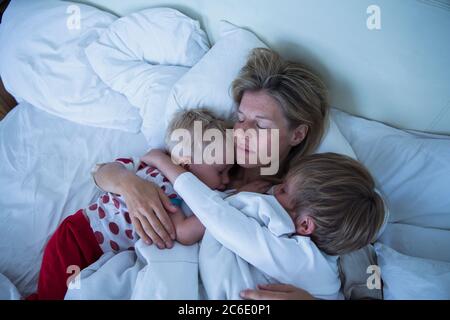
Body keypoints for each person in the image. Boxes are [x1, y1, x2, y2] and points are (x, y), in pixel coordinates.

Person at [28, 109, 233, 300]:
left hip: (101, 255)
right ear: (187, 163)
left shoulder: (166, 175)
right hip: (77, 240)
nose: (226, 181)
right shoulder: (166, 182)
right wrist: (224, 207)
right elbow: (182, 232)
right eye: (220, 171)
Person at [144, 150, 386, 299]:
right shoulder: (319, 220)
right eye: (239, 117)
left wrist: (164, 162)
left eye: (281, 189)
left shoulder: (305, 260)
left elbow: (218, 216)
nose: (273, 190)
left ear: (304, 225)